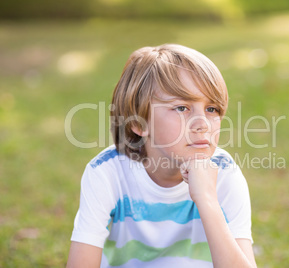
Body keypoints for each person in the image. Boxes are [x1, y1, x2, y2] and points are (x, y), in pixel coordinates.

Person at [66, 44, 257, 268]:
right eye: (181, 108)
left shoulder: (225, 175)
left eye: (211, 109)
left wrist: (207, 199)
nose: (202, 124)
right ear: (138, 122)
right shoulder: (107, 173)